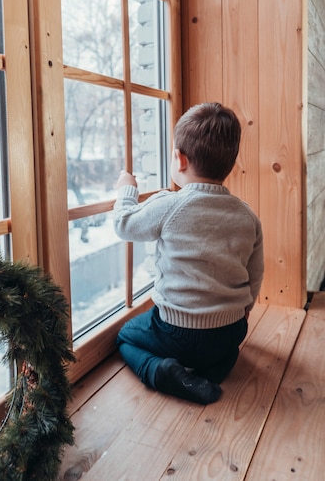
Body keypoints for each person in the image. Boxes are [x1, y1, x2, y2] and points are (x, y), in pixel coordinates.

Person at [113, 102, 264, 405]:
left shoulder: (169, 204)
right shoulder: (247, 216)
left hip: (175, 330)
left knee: (126, 337)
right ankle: (211, 371)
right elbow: (255, 273)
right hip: (230, 330)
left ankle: (161, 371)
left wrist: (126, 190)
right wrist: (242, 312)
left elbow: (124, 224)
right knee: (228, 350)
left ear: (179, 160)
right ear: (231, 163)